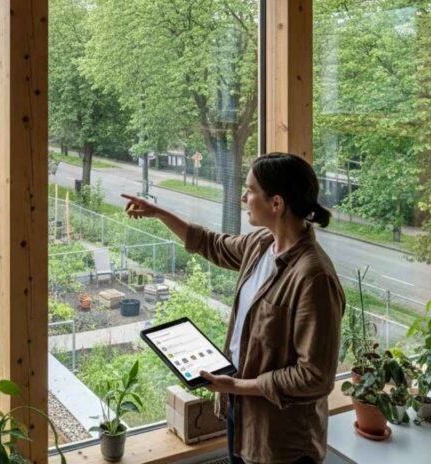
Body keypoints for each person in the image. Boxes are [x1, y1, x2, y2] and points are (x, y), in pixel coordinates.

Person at [121, 152, 344, 464]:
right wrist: (158, 213)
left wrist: (237, 385)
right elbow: (209, 243)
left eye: (251, 190)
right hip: (242, 418)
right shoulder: (261, 245)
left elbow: (315, 377)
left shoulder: (313, 277)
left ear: (276, 203)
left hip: (282, 443)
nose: (243, 196)